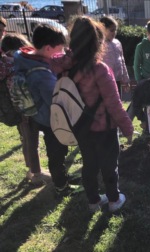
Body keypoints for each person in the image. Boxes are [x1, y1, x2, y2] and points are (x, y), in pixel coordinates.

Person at [52, 17, 133, 212]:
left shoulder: (63, 67)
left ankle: (94, 201)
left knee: (88, 164)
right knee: (109, 165)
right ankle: (114, 200)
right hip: (104, 127)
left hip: (80, 126)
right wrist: (128, 128)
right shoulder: (100, 70)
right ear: (97, 42)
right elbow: (114, 104)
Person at [13, 24, 72, 194]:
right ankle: (61, 185)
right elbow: (56, 100)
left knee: (56, 151)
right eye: (59, 50)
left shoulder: (24, 56)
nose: (61, 53)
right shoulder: (42, 74)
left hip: (37, 115)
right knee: (57, 152)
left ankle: (62, 177)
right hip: (49, 119)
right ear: (48, 48)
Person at [1, 33, 50, 185]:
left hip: (16, 108)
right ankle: (36, 174)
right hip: (28, 109)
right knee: (32, 141)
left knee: (26, 139)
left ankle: (31, 169)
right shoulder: (19, 63)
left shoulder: (5, 64)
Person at [99, 16, 130, 98]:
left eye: (115, 30)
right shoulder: (99, 45)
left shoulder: (117, 43)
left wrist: (125, 79)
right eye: (112, 30)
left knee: (117, 100)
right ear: (103, 29)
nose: (114, 32)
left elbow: (122, 61)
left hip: (117, 80)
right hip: (105, 81)